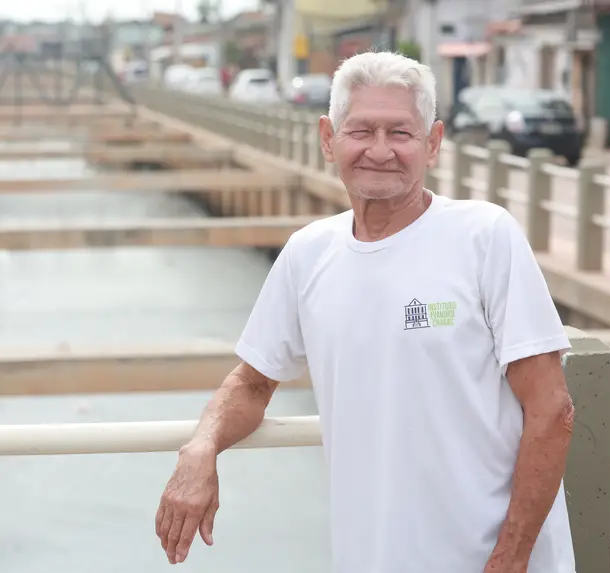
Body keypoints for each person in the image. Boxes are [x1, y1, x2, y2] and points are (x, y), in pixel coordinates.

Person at [154, 50, 576, 572]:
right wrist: (202, 446)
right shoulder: (308, 253)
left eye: (400, 133)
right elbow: (253, 382)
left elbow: (552, 409)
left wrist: (511, 558)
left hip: (495, 561)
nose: (380, 151)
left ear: (433, 142)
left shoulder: (486, 237)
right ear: (328, 139)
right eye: (361, 132)